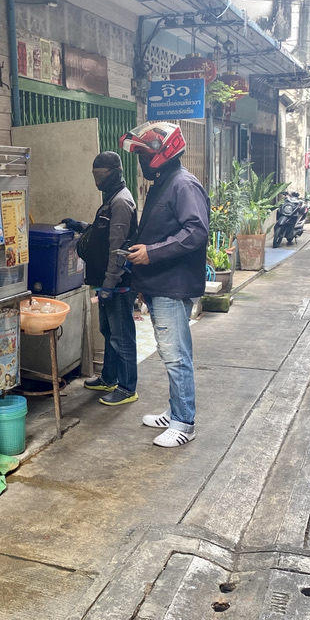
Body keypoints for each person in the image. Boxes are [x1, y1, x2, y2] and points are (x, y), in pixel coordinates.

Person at [119, 122, 209, 448]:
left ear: (163, 152)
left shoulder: (183, 185)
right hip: (160, 284)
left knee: (176, 356)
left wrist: (151, 254)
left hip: (173, 286)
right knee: (169, 353)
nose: (141, 160)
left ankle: (184, 423)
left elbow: (196, 231)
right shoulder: (163, 182)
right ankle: (175, 412)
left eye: (145, 153)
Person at [61, 151, 139, 406]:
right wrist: (80, 226)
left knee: (122, 335)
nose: (97, 179)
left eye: (101, 174)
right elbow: (101, 232)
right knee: (108, 330)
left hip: (117, 283)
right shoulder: (111, 199)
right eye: (94, 174)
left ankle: (127, 388)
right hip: (106, 282)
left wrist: (108, 285)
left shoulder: (121, 202)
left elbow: (118, 248)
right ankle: (109, 377)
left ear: (115, 171)